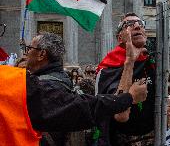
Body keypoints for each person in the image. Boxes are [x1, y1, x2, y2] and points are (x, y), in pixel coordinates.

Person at [0, 32, 148, 146]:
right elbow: (82, 108)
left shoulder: (26, 82)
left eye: (28, 48)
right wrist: (128, 98)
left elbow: (82, 107)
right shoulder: (19, 82)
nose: (25, 53)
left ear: (42, 54)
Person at [96, 12, 155, 146]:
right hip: (121, 139)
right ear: (120, 37)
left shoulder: (151, 61)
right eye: (129, 24)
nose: (137, 26)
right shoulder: (107, 69)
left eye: (140, 24)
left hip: (154, 136)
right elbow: (120, 115)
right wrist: (130, 61)